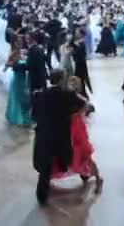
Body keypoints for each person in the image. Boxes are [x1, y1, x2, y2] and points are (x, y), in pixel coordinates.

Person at [33, 69, 86, 205]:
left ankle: (42, 197)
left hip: (44, 134)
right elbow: (83, 104)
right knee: (70, 156)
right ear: (62, 80)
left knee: (45, 166)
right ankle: (84, 175)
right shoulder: (68, 94)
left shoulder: (40, 94)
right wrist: (73, 114)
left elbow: (34, 115)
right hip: (61, 134)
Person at [51, 76, 103, 194]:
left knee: (85, 155)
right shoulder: (66, 96)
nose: (73, 85)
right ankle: (85, 174)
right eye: (71, 82)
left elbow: (86, 106)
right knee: (68, 154)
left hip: (77, 129)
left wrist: (77, 113)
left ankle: (98, 180)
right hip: (68, 128)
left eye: (76, 83)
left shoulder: (78, 98)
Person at [4, 37, 32, 127]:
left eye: (20, 42)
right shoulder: (13, 53)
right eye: (17, 42)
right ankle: (20, 119)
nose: (19, 44)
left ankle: (25, 118)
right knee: (19, 98)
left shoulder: (23, 52)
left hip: (24, 78)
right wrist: (13, 64)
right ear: (14, 43)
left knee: (25, 98)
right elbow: (5, 66)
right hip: (17, 79)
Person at [73, 28, 93, 97]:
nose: (76, 33)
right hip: (79, 63)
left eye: (77, 32)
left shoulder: (81, 43)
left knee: (80, 78)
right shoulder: (78, 42)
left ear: (81, 34)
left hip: (80, 64)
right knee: (81, 78)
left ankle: (82, 93)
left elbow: (79, 53)